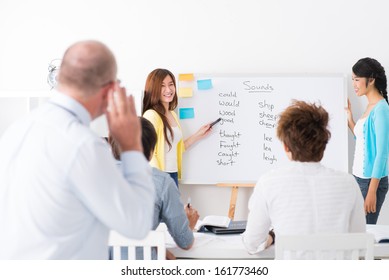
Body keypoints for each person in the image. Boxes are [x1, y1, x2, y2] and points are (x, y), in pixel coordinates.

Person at [0, 40, 155, 259]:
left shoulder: (15, 131)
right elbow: (137, 224)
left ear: (60, 78)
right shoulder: (84, 146)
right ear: (110, 90)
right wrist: (131, 146)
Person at [242, 100, 366, 259]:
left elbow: (251, 243)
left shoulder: (269, 183)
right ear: (323, 145)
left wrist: (272, 237)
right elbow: (359, 244)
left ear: (286, 146)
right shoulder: (349, 184)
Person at [108, 117, 199, 259]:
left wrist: (157, 247)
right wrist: (189, 225)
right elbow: (185, 243)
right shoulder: (161, 182)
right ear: (151, 152)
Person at [142, 68, 212, 186]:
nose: (168, 90)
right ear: (153, 89)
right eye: (162, 86)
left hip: (173, 174)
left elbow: (177, 148)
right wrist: (159, 180)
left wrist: (198, 135)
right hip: (158, 177)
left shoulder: (172, 114)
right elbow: (148, 152)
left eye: (171, 84)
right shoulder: (151, 115)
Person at [346, 57, 389, 224]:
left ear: (371, 80)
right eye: (352, 80)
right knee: (356, 231)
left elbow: (382, 153)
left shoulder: (381, 109)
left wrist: (372, 191)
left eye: (357, 79)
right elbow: (364, 140)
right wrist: (350, 121)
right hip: (359, 179)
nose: (354, 84)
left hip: (370, 182)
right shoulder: (371, 105)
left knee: (364, 233)